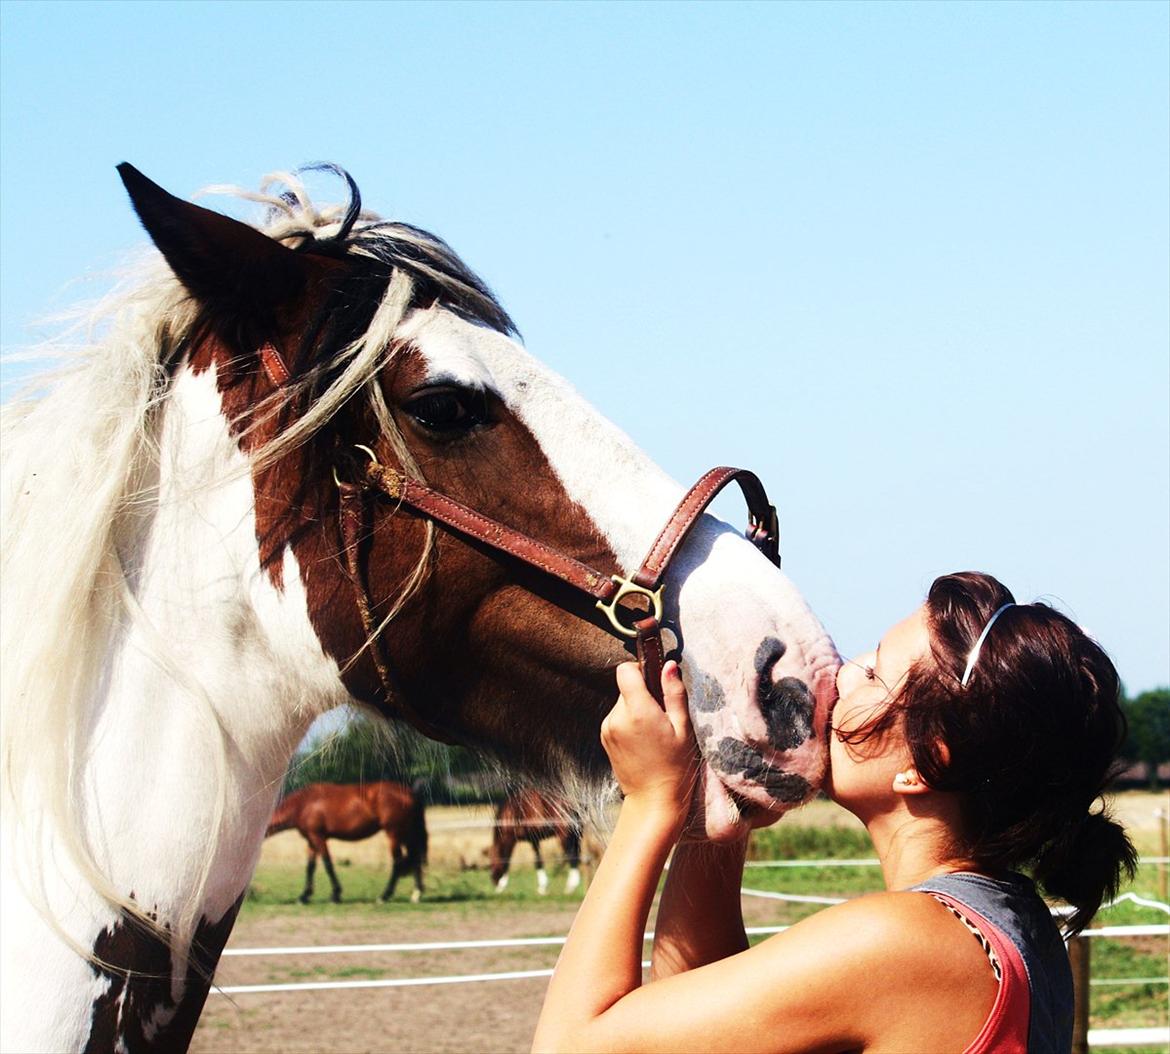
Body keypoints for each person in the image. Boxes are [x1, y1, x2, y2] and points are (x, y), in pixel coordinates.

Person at [532, 571, 1136, 1053]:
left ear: (926, 765)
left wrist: (648, 804)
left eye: (872, 671)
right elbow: (691, 1016)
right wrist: (728, 803)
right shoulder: (1010, 923)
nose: (841, 674)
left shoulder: (904, 943)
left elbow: (570, 1045)